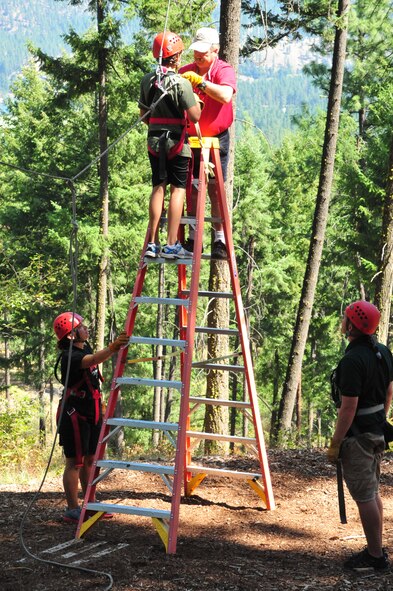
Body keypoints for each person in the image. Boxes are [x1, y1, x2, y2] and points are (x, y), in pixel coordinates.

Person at [327, 300, 393, 571]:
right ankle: (374, 547)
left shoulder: (353, 360)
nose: (343, 321)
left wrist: (337, 442)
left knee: (365, 496)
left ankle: (375, 557)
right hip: (376, 431)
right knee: (371, 491)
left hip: (359, 437)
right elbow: (389, 391)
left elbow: (348, 406)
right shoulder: (382, 351)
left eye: (345, 318)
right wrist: (380, 420)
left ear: (352, 325)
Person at [53, 312, 129, 523]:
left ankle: (89, 503)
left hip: (90, 409)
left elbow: (94, 366)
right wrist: (113, 347)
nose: (86, 329)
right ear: (70, 335)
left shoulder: (82, 347)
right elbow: (93, 360)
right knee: (74, 462)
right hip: (74, 413)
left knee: (89, 460)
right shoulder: (70, 356)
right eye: (81, 327)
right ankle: (72, 508)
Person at [139, 31, 201, 260]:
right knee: (178, 190)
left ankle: (152, 243)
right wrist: (198, 101)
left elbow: (144, 115)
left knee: (158, 186)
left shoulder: (147, 80)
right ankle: (171, 243)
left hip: (154, 141)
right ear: (174, 57)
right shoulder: (182, 83)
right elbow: (194, 116)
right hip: (177, 142)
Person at [179, 27, 237, 260]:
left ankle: (219, 240)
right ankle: (193, 240)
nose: (198, 56)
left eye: (203, 52)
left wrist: (200, 84)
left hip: (215, 140)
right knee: (192, 189)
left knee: (214, 189)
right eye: (196, 52)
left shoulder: (223, 70)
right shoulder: (185, 71)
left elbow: (225, 95)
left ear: (216, 50)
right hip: (190, 138)